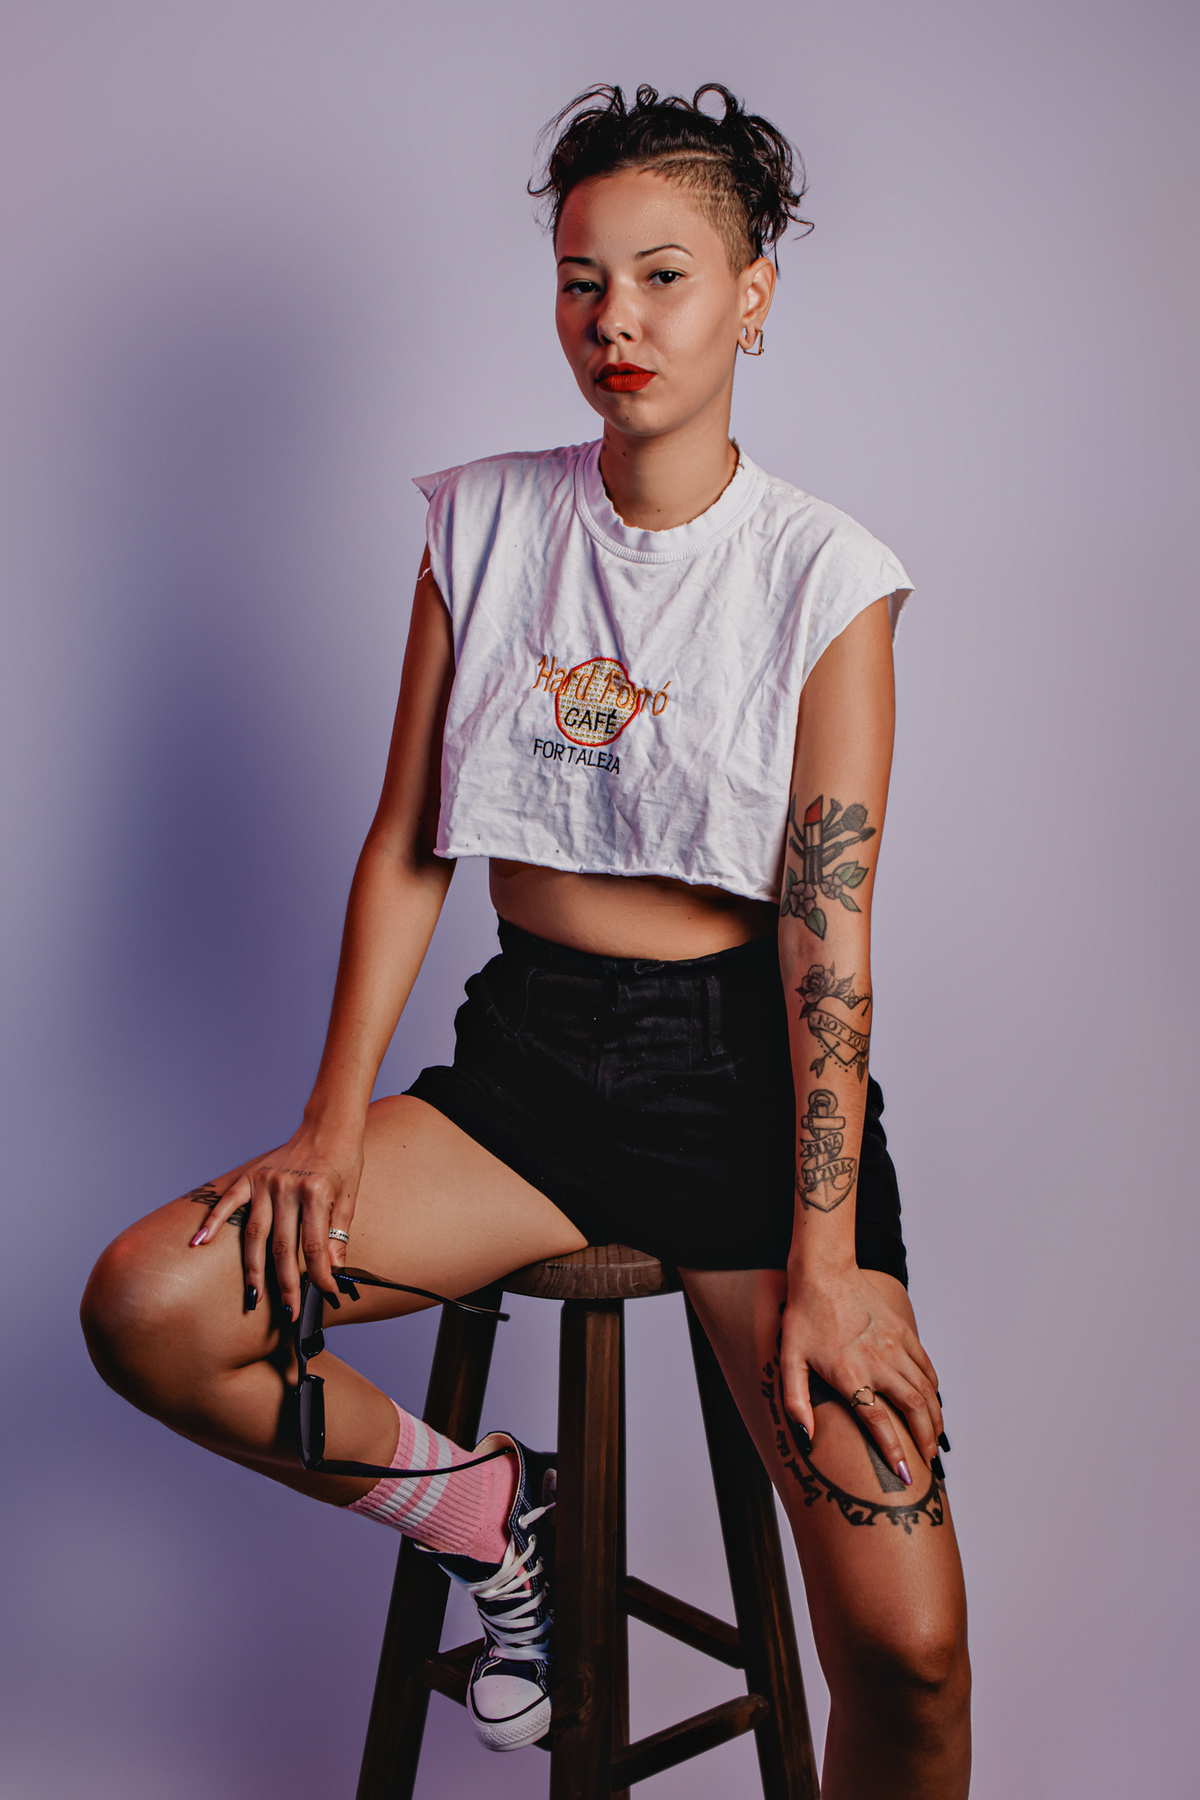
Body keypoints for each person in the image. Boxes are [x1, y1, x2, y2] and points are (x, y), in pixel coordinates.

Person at [82, 83, 970, 1794]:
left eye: (663, 277)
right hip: (530, 1075)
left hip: (746, 1090)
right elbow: (408, 841)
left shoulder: (824, 576)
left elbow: (828, 939)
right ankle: (488, 1514)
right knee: (150, 1307)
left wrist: (831, 1255)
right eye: (582, 280)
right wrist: (331, 1126)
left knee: (910, 1656)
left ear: (753, 295)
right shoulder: (481, 523)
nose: (615, 320)